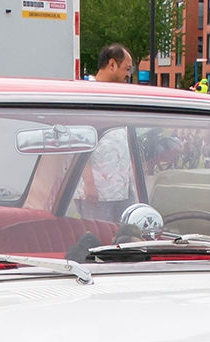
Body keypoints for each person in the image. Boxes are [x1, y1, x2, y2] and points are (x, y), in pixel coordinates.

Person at [80, 44, 135, 220]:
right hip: (98, 190)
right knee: (100, 238)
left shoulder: (120, 97)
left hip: (121, 190)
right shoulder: (86, 96)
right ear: (112, 64)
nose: (129, 75)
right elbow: (80, 141)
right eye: (127, 69)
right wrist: (89, 182)